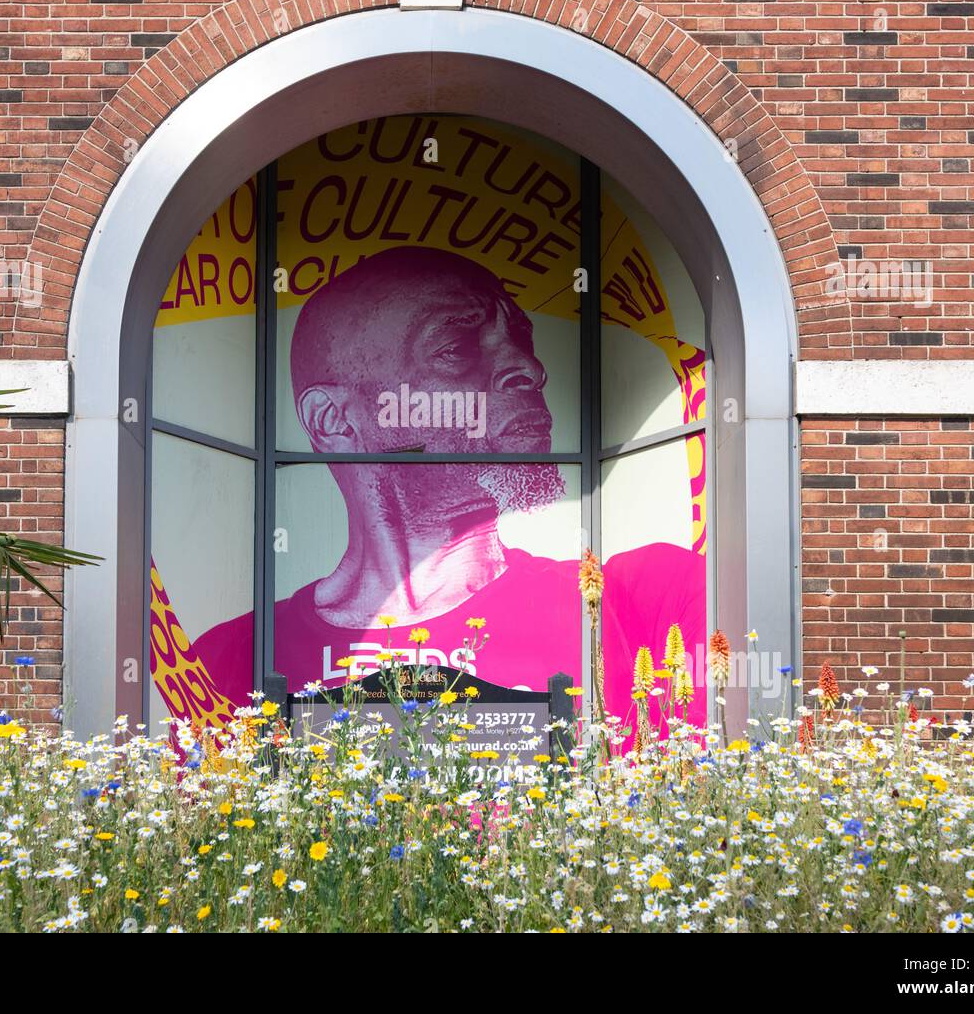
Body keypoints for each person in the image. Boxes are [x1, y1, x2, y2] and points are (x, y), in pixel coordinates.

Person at [190, 245, 706, 732]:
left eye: (521, 338)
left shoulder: (640, 600)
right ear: (333, 421)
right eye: (456, 346)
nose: (531, 368)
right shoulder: (225, 659)